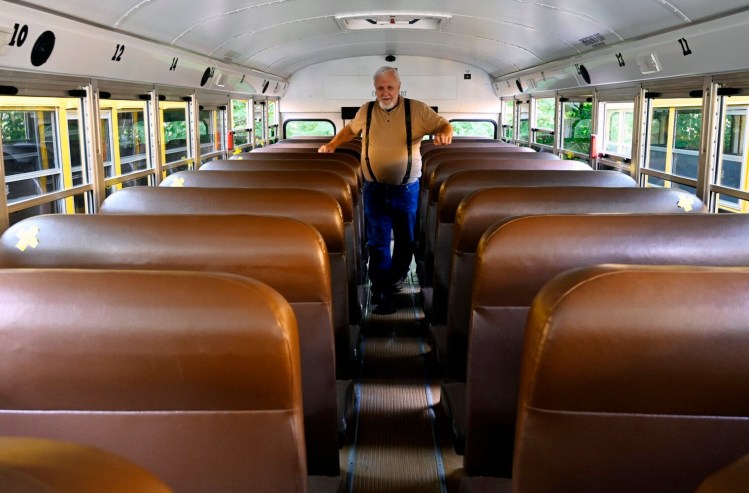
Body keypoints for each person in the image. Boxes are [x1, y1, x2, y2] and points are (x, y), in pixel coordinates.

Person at [319, 66, 453, 314]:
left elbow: (443, 125)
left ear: (399, 87)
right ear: (375, 90)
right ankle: (381, 289)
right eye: (380, 88)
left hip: (406, 189)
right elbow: (350, 130)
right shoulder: (366, 110)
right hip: (374, 190)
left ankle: (396, 277)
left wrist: (445, 135)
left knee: (405, 240)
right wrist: (332, 144)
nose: (385, 92)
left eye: (390, 87)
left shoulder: (418, 110)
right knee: (378, 240)